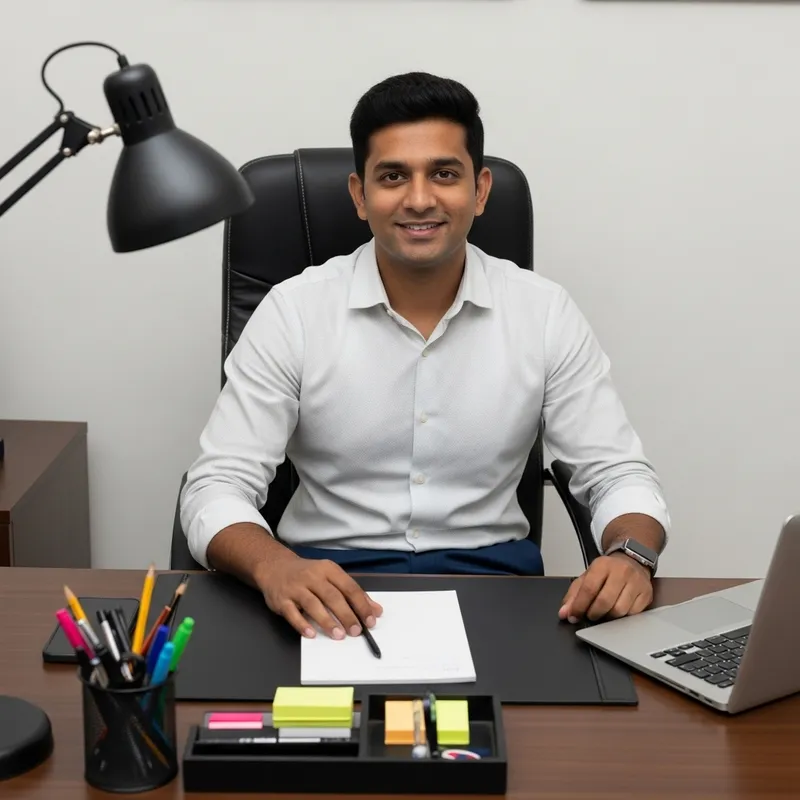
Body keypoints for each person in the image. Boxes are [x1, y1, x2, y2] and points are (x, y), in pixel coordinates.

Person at [180, 71, 670, 643]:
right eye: (392, 176)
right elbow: (217, 485)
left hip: (498, 591)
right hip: (325, 591)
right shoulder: (294, 311)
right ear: (361, 196)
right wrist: (274, 565)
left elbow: (615, 472)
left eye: (444, 173)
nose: (419, 199)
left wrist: (632, 555)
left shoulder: (543, 312)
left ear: (480, 190)